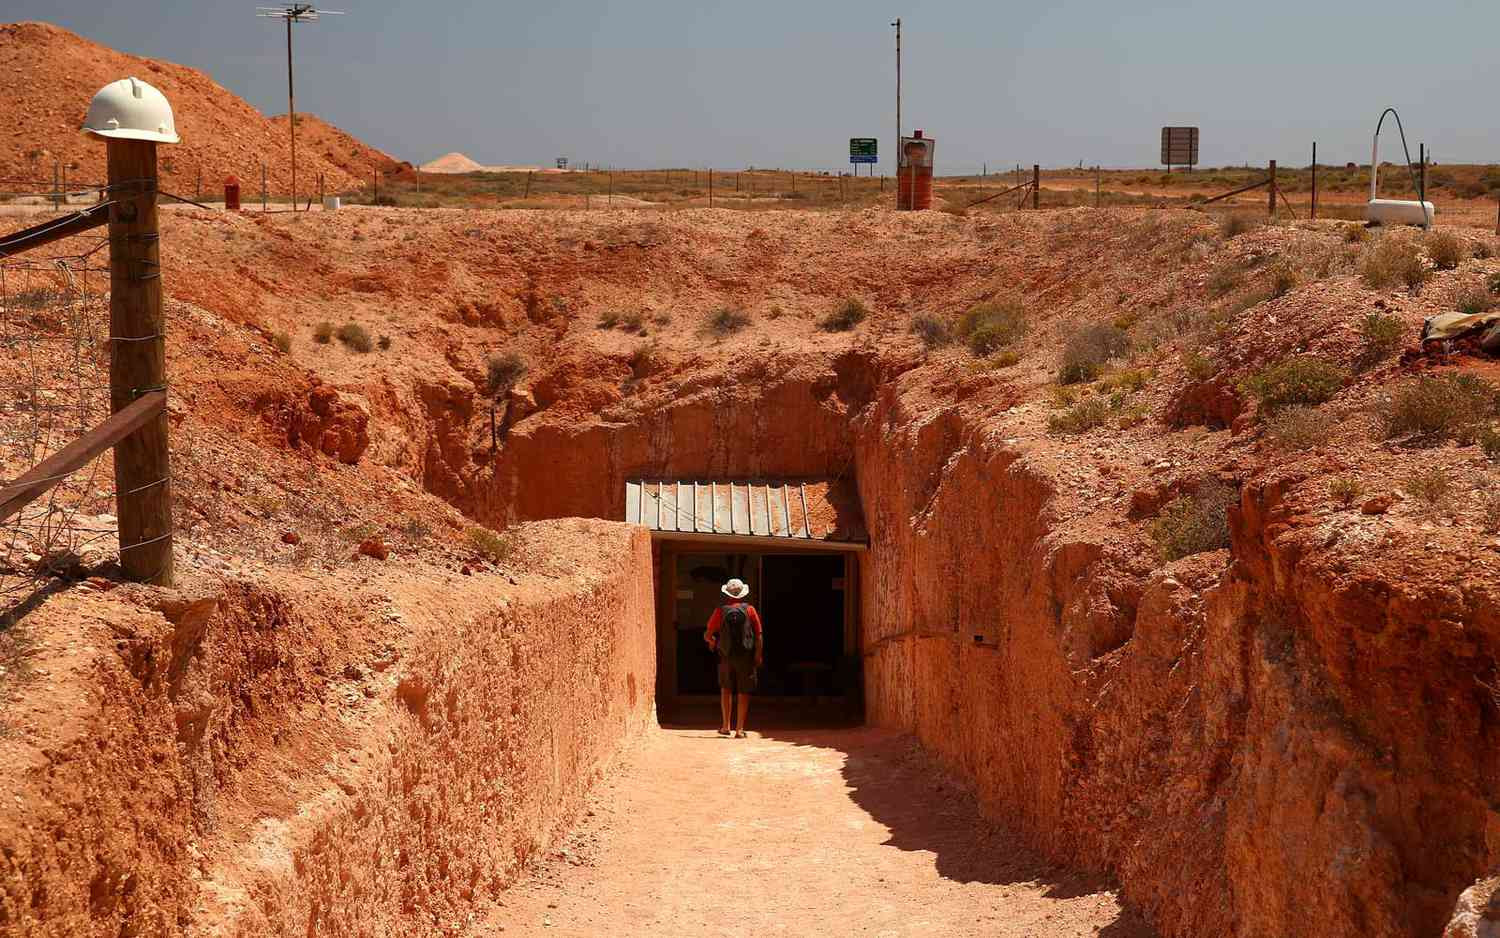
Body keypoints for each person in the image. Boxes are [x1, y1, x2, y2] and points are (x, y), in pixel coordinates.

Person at [704, 578, 763, 738]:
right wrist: (758, 654)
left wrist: (713, 642)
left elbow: (708, 634)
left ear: (727, 593)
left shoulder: (720, 611)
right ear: (742, 593)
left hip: (725, 656)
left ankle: (725, 726)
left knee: (726, 689)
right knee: (744, 691)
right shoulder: (750, 610)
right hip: (745, 656)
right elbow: (758, 635)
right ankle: (740, 729)